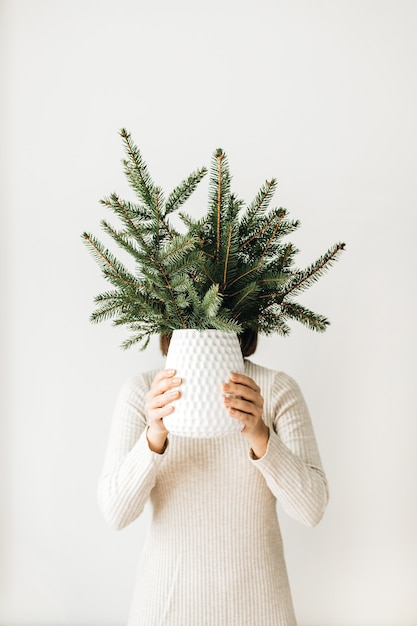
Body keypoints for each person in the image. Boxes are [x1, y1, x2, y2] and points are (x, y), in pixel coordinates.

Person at [98, 330, 328, 626]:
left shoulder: (276, 390)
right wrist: (154, 434)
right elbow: (115, 513)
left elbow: (312, 509)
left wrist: (259, 434)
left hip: (261, 612)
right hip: (165, 612)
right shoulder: (145, 391)